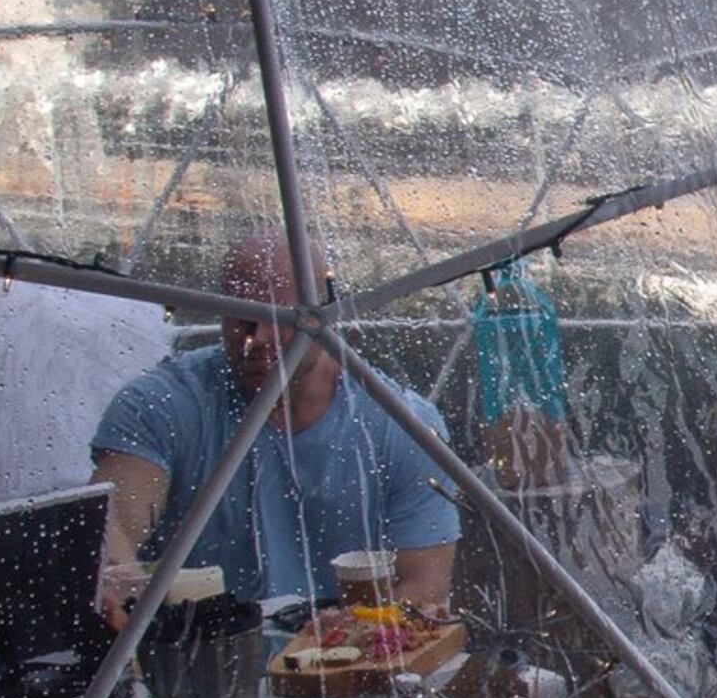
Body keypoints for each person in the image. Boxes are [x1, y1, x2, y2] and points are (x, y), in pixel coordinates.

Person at [91, 232, 459, 622]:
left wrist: (345, 641)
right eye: (242, 320)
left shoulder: (403, 425)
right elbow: (112, 528)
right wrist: (119, 587)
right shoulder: (162, 406)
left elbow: (423, 589)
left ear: (326, 315)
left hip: (346, 663)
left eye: (280, 318)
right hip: (198, 657)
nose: (258, 339)